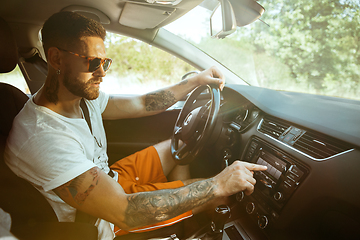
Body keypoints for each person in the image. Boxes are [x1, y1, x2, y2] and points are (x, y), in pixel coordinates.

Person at [4, 11, 267, 240]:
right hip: (100, 218)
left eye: (105, 62)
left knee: (183, 144)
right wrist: (216, 186)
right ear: (56, 59)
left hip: (111, 177)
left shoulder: (80, 96)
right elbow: (125, 212)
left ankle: (185, 220)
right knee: (218, 195)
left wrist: (194, 81)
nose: (102, 73)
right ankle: (187, 223)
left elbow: (143, 103)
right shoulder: (43, 137)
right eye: (92, 62)